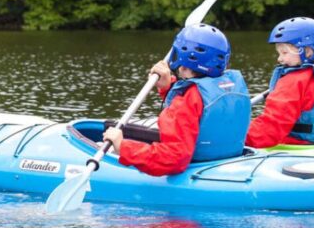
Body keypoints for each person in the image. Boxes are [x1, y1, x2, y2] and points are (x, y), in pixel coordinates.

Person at [101, 23, 251, 176]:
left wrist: (123, 147)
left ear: (183, 64)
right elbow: (199, 112)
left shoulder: (188, 100)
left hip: (196, 168)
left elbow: (174, 158)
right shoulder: (231, 85)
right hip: (228, 160)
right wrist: (168, 87)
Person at [245, 17, 314, 148]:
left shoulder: (293, 81)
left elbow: (268, 131)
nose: (279, 59)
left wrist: (234, 136)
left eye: (284, 52)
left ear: (308, 51)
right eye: (279, 53)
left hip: (299, 147)